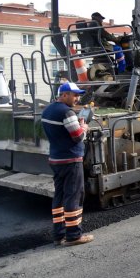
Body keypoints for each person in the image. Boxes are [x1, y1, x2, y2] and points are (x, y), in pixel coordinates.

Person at [41, 82, 94, 247]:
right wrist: (83, 127)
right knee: (74, 195)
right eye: (74, 95)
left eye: (78, 95)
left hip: (56, 159)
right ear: (64, 95)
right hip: (71, 160)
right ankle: (73, 235)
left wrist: (74, 124)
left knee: (59, 196)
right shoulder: (67, 112)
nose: (77, 98)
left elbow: (60, 131)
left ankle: (59, 234)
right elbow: (77, 137)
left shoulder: (48, 110)